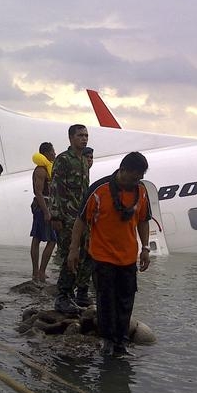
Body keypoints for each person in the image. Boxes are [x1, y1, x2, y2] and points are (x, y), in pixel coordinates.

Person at [68, 151, 152, 357]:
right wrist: (73, 250)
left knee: (126, 300)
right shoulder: (99, 190)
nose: (138, 180)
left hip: (128, 258)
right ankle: (107, 340)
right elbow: (80, 221)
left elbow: (143, 220)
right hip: (102, 257)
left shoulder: (141, 191)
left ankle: (121, 342)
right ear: (123, 170)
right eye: (135, 176)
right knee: (106, 300)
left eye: (140, 176)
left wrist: (146, 249)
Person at [50, 124, 91, 313]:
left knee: (84, 255)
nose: (84, 139)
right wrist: (56, 215)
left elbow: (84, 190)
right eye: (80, 135)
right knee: (69, 255)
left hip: (81, 217)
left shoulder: (84, 161)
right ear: (71, 138)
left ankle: (78, 293)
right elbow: (56, 189)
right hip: (66, 217)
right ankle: (62, 296)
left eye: (86, 135)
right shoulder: (63, 160)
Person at [30, 142, 57, 284]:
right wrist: (46, 212)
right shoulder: (41, 170)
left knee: (38, 238)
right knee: (47, 239)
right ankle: (39, 272)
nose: (54, 154)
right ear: (45, 153)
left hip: (48, 206)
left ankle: (38, 272)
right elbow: (38, 193)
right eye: (52, 152)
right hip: (42, 207)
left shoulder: (48, 168)